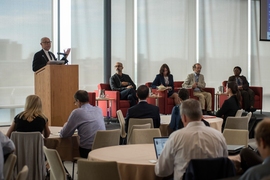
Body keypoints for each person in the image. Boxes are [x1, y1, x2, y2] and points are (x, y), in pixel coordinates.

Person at [155, 99, 228, 180]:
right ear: (202, 116)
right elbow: (224, 164)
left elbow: (161, 171)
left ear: (184, 118)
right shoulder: (219, 136)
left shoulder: (176, 137)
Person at [60, 90, 105, 158]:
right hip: (103, 149)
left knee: (72, 148)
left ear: (78, 101)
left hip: (87, 151)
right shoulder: (99, 109)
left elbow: (64, 134)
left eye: (75, 102)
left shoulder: (77, 112)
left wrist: (66, 124)